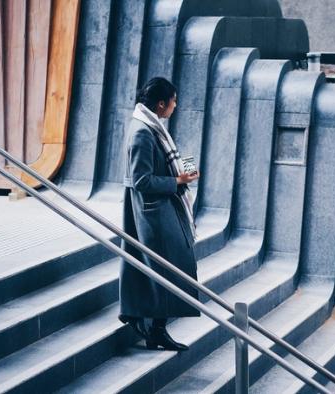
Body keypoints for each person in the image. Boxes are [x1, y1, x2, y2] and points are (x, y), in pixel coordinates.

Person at [119, 77, 200, 351]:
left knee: (162, 269)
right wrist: (177, 181)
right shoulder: (143, 131)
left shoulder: (150, 126)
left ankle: (150, 325)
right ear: (162, 103)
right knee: (169, 269)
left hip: (160, 209)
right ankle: (155, 328)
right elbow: (141, 180)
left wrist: (182, 175)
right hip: (153, 213)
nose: (175, 106)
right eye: (173, 101)